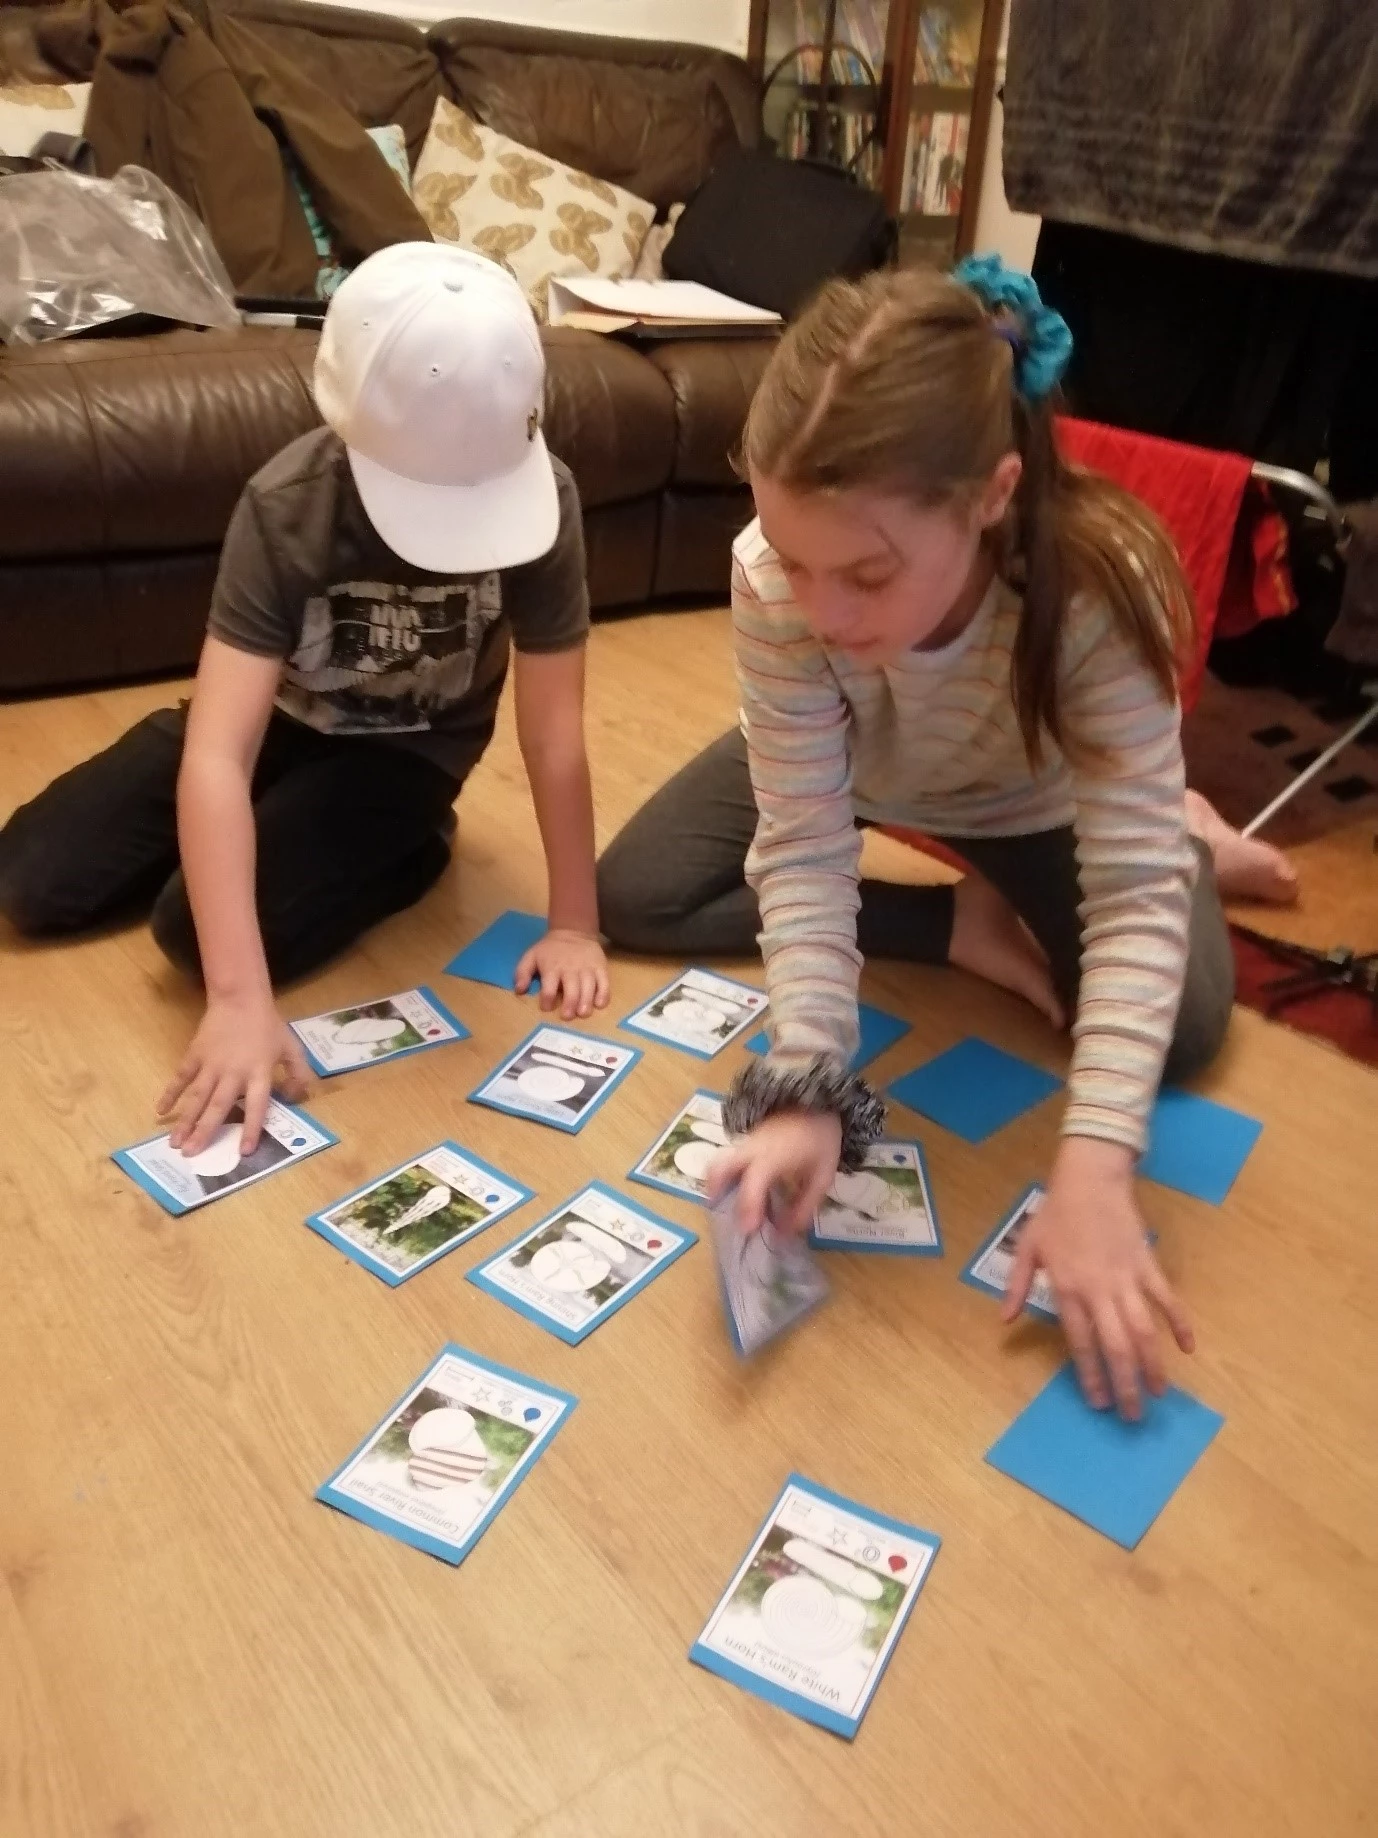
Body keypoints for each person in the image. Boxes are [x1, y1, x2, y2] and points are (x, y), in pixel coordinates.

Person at [597, 255, 1280, 1419]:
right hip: (859, 757)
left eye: (864, 572)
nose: (821, 609)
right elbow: (806, 844)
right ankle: (963, 918)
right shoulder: (785, 589)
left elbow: (1124, 903)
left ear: (993, 494)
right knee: (637, 895)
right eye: (795, 559)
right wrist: (809, 1079)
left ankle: (1171, 819)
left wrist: (1094, 1159)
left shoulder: (1100, 596)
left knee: (1182, 1026)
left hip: (1027, 800)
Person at [0, 242, 607, 1156]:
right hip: (274, 725)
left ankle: (414, 844)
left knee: (190, 934)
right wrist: (245, 1004)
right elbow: (217, 755)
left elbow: (555, 735)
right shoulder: (285, 504)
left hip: (403, 757)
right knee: (29, 879)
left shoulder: (546, 505)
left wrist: (574, 924)